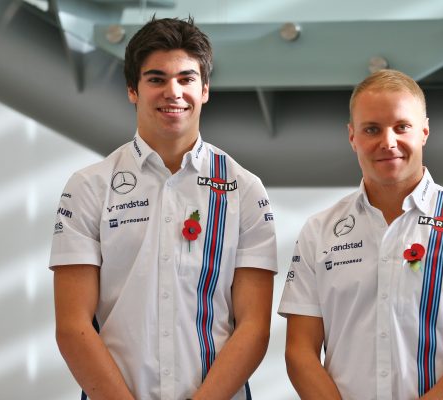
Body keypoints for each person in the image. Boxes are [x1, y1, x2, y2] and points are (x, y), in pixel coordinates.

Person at [50, 17, 277, 400]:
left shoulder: (245, 189)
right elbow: (73, 326)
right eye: (156, 79)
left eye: (186, 79)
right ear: (132, 90)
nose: (173, 92)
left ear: (205, 89)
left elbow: (254, 327)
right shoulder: (89, 187)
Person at [278, 69, 443, 400]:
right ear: (352, 136)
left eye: (401, 127)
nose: (387, 142)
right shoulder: (318, 231)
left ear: (424, 131)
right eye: (372, 129)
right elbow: (299, 353)